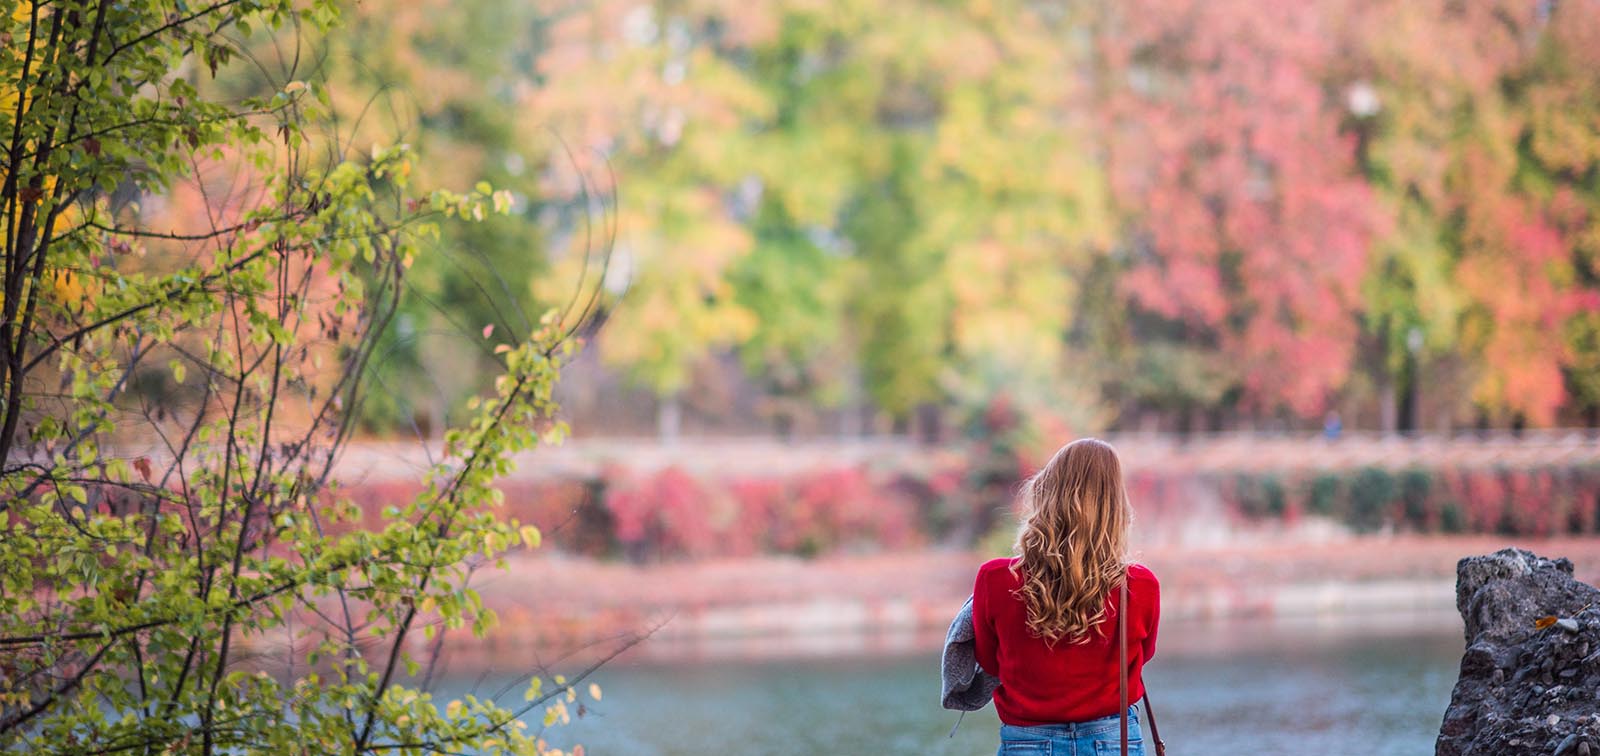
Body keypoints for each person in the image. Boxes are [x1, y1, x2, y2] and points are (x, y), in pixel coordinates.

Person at [970, 438, 1160, 755]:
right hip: (1113, 739)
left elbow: (990, 662)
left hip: (1027, 741)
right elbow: (1142, 656)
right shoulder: (1140, 584)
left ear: (1045, 495)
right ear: (1115, 507)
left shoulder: (996, 579)